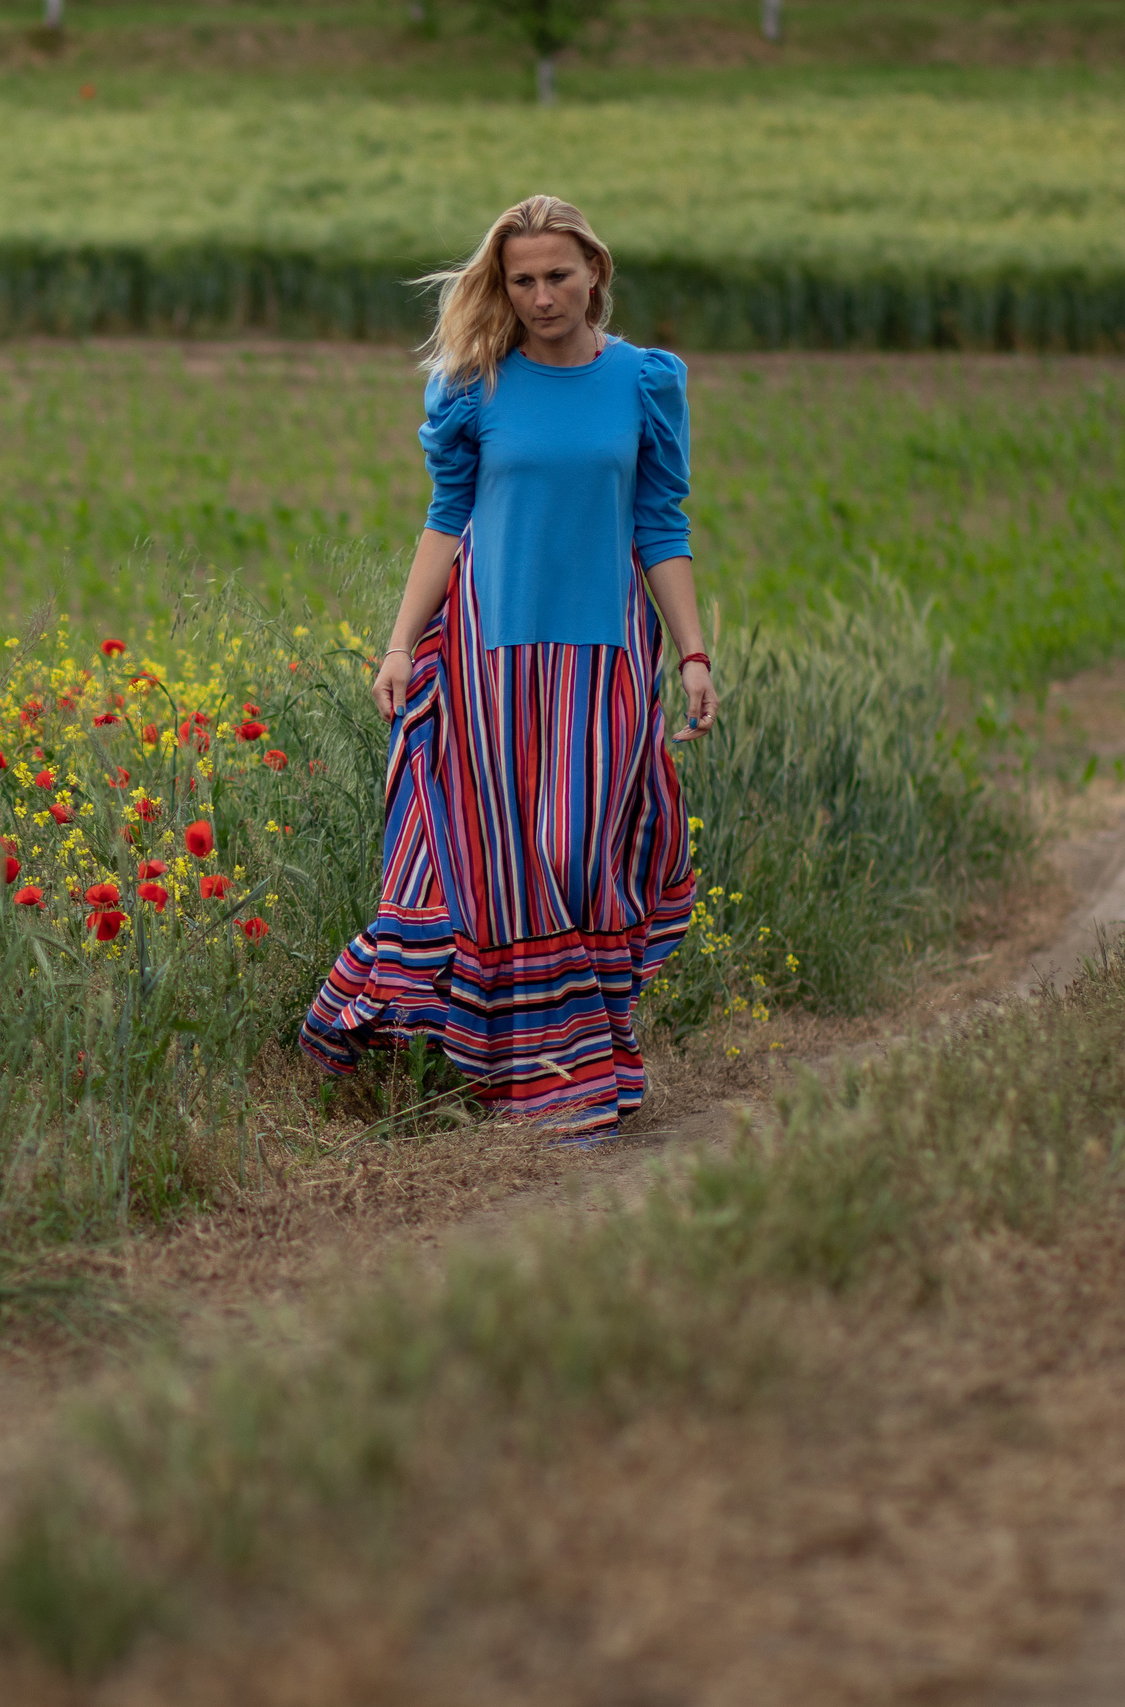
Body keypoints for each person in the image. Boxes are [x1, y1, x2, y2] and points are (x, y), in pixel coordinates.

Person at [299, 194, 717, 1140]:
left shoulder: (645, 382)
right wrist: (402, 644)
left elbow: (661, 525)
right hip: (490, 662)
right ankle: (536, 1084)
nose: (540, 296)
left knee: (579, 857)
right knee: (506, 872)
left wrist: (692, 653)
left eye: (557, 275)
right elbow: (446, 523)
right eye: (522, 279)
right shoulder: (473, 389)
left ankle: (572, 1057)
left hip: (606, 661)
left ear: (595, 273)